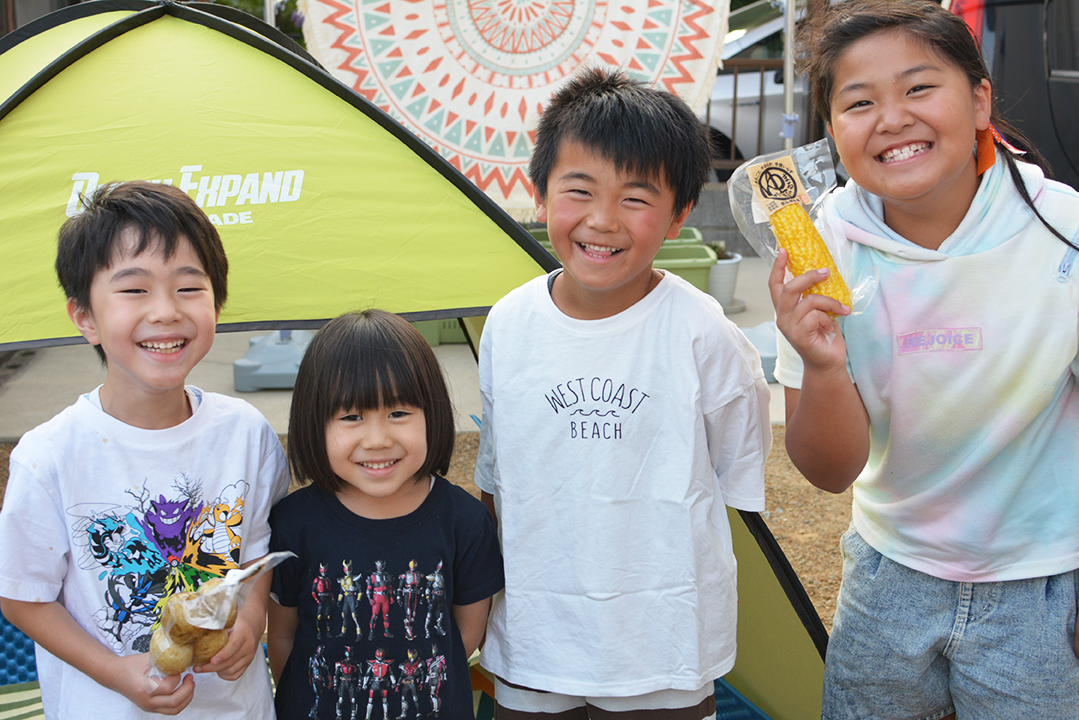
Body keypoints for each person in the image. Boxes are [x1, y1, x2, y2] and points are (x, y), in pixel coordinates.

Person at [769, 1, 1079, 717]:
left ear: (978, 101)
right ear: (832, 132)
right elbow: (826, 471)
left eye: (918, 88)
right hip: (886, 576)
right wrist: (819, 365)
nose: (891, 118)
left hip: (1040, 583)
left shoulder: (1062, 230)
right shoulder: (818, 254)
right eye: (858, 102)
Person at [475, 67, 772, 719]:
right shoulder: (509, 324)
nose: (602, 220)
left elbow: (729, 482)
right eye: (578, 190)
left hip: (661, 653)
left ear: (679, 215)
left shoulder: (706, 336)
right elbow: (498, 480)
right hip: (533, 646)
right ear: (540, 192)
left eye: (636, 198)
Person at [0, 181, 290, 717]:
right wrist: (115, 671)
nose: (165, 312)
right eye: (134, 290)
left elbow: (254, 557)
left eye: (188, 287)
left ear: (217, 303)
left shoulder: (248, 434)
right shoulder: (49, 457)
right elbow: (21, 596)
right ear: (84, 316)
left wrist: (250, 623)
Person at [266, 310, 504, 720]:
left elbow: (466, 634)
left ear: (433, 412)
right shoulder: (292, 524)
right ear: (312, 421)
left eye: (398, 413)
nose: (377, 440)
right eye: (351, 417)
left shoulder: (465, 522)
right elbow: (283, 637)